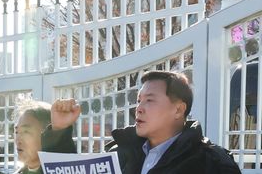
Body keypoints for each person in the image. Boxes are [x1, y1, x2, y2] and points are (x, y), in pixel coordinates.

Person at [53, 71, 241, 173]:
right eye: (138, 100)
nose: (139, 108)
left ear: (178, 109)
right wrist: (59, 131)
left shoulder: (213, 163)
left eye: (149, 100)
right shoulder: (118, 156)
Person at [14, 99, 79, 174]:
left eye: (26, 131)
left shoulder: (65, 169)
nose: (18, 139)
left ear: (47, 134)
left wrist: (59, 129)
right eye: (17, 132)